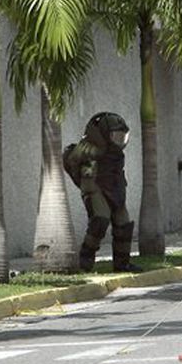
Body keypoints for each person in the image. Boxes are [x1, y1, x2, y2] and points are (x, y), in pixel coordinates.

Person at [63, 112, 142, 273]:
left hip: (116, 189)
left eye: (122, 136)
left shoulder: (116, 154)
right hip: (95, 189)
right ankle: (85, 263)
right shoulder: (88, 148)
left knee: (124, 225)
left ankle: (122, 264)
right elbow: (73, 163)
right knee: (99, 221)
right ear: (105, 133)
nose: (120, 140)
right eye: (116, 136)